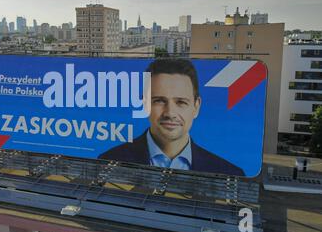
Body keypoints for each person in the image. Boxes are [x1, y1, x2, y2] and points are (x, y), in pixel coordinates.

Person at [99, 59, 245, 176]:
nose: (170, 113)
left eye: (181, 102)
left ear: (196, 106)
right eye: (159, 101)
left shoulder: (229, 173)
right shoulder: (109, 160)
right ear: (144, 104)